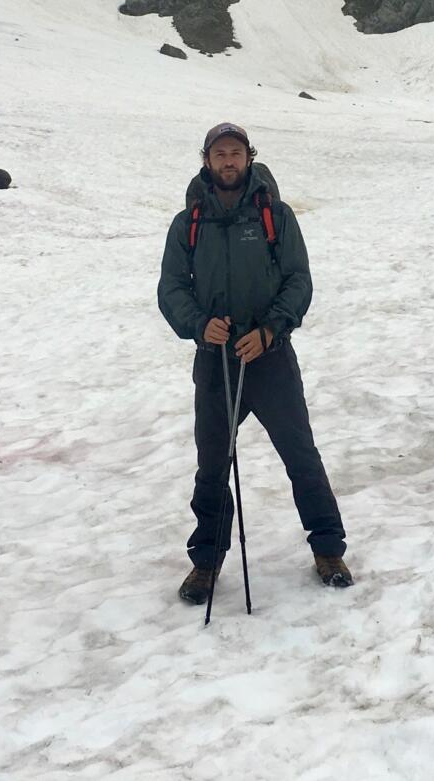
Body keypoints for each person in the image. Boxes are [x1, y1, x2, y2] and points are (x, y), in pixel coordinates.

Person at [157, 121, 353, 602]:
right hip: (214, 359)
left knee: (300, 456)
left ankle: (328, 548)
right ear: (206, 160)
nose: (228, 161)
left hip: (270, 357)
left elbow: (298, 280)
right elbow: (171, 288)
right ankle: (205, 563)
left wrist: (270, 329)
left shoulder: (275, 215)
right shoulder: (189, 223)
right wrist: (200, 324)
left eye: (236, 153)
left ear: (249, 158)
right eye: (220, 153)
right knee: (211, 466)